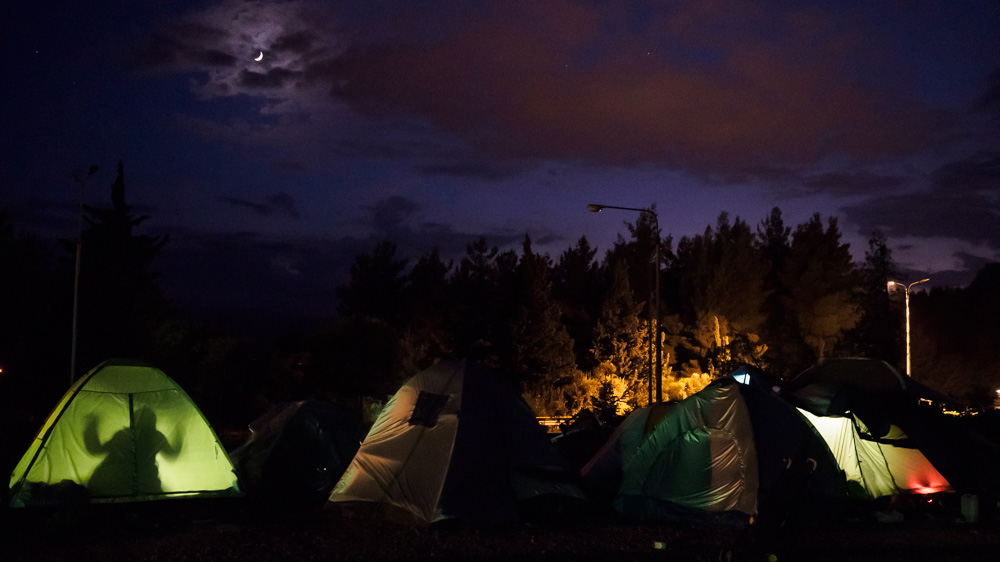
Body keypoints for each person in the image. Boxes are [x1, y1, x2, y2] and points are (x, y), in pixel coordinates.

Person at [84, 408, 182, 497]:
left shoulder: (124, 435)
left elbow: (96, 449)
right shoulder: (156, 437)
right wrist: (179, 432)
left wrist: (92, 425)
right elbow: (172, 453)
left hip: (114, 482)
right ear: (153, 421)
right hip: (144, 483)